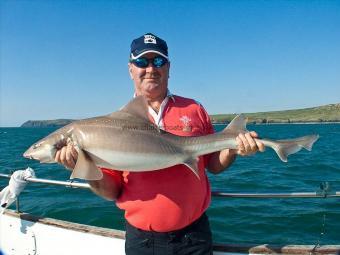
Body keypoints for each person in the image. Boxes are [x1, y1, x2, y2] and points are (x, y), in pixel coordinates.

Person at [55, 33, 265, 255]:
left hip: (194, 237)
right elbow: (111, 191)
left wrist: (233, 148)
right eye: (141, 62)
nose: (150, 68)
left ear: (168, 67)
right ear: (130, 69)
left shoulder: (194, 109)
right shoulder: (111, 127)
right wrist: (82, 167)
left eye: (158, 61)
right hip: (142, 241)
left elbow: (213, 165)